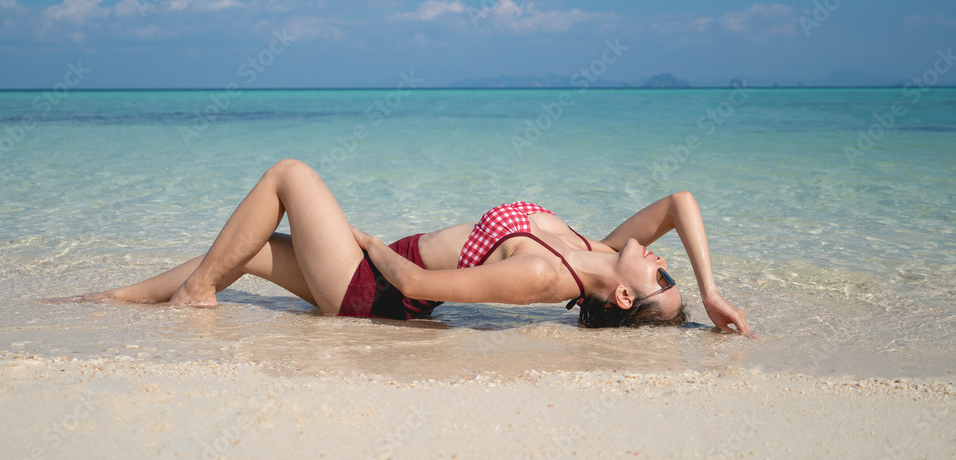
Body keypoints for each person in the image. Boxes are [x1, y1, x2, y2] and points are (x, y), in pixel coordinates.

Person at [80, 159, 753, 336]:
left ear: (628, 293)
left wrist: (366, 240)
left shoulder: (548, 275)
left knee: (289, 175)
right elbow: (680, 202)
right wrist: (711, 293)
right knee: (249, 251)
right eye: (673, 268)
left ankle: (195, 295)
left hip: (373, 291)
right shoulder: (589, 247)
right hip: (371, 278)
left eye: (664, 274)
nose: (663, 256)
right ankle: (111, 301)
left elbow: (423, 287)